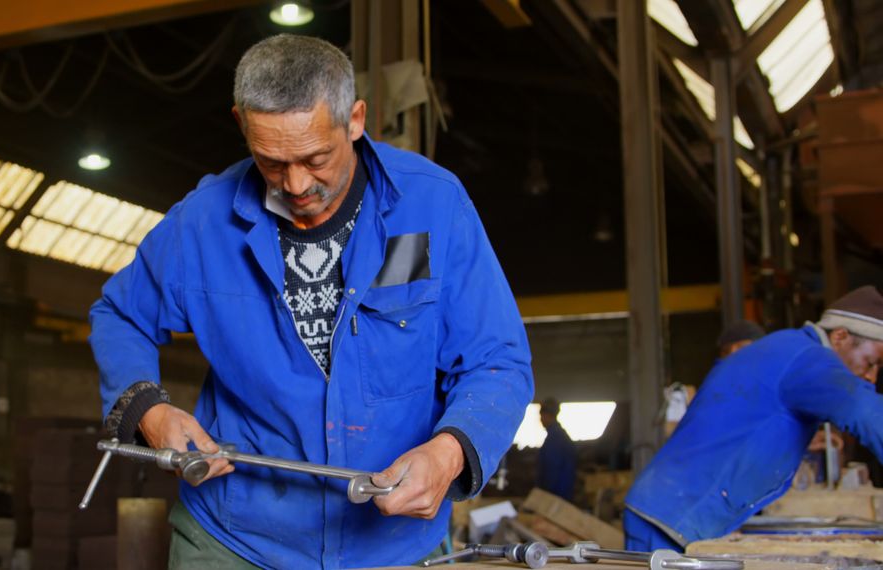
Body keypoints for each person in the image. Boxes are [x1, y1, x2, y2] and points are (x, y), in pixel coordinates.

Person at [89, 34, 533, 569]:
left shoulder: (434, 207)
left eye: (316, 157)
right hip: (235, 541)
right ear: (241, 124)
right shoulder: (202, 225)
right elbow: (120, 314)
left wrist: (450, 452)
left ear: (356, 119)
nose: (296, 184)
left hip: (392, 546)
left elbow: (497, 361)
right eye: (271, 161)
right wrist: (149, 410)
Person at [624, 286, 883, 552]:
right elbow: (868, 413)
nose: (872, 377)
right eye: (871, 362)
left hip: (671, 510)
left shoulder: (789, 348)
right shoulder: (808, 358)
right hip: (675, 515)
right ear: (840, 336)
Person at [536, 398, 576, 501]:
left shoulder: (555, 438)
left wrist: (545, 492)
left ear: (548, 416)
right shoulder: (560, 435)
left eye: (541, 416)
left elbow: (552, 466)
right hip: (562, 491)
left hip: (556, 493)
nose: (540, 419)